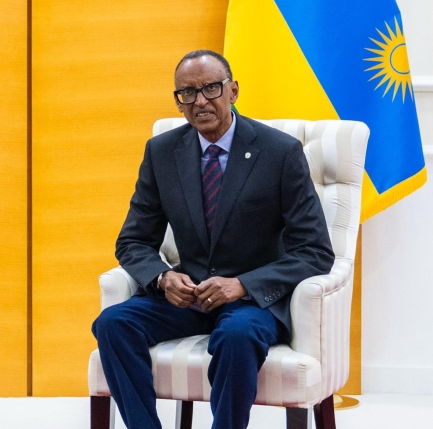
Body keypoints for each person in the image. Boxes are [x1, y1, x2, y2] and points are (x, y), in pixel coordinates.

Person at [92, 50, 334, 429]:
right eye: (187, 93)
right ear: (178, 101)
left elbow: (315, 251)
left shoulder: (280, 152)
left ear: (233, 90)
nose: (200, 101)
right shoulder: (162, 152)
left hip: (251, 302)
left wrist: (242, 285)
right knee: (113, 323)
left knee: (237, 336)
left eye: (211, 88)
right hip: (188, 297)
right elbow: (133, 241)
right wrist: (163, 278)